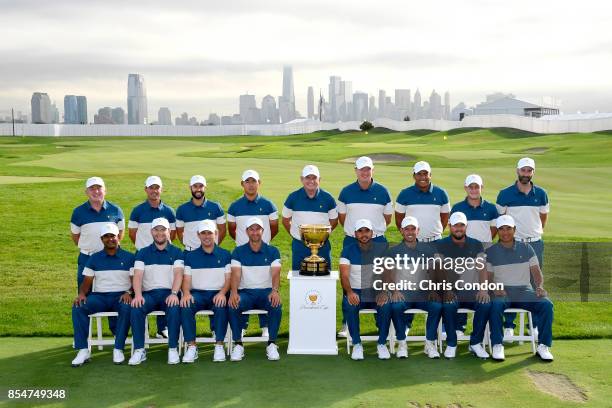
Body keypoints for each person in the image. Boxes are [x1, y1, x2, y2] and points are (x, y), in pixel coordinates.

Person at [487, 215, 554, 362]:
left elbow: (536, 272)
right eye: (501, 229)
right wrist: (493, 288)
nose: (505, 232)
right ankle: (497, 344)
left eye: (509, 229)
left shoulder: (526, 248)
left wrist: (540, 286)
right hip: (502, 291)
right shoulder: (491, 251)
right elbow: (488, 277)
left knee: (546, 305)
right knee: (496, 305)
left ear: (515, 230)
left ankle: (543, 346)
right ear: (497, 231)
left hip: (524, 290)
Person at [496, 157, 549, 339]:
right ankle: (509, 324)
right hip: (513, 243)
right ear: (517, 171)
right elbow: (500, 220)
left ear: (533, 172)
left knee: (535, 283)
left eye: (529, 170)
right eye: (523, 170)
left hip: (535, 243)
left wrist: (535, 233)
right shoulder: (505, 194)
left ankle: (532, 324)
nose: (526, 174)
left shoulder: (541, 194)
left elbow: (543, 218)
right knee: (511, 283)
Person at [394, 161, 450, 334]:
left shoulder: (441, 194)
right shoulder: (404, 194)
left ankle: (439, 324)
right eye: (419, 174)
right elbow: (399, 220)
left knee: (438, 282)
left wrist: (432, 235)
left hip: (435, 242)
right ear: (414, 176)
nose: (423, 177)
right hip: (413, 244)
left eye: (426, 174)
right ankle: (407, 323)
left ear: (430, 175)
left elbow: (444, 218)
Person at [71, 223, 133, 366]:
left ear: (118, 237)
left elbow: (135, 281)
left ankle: (118, 349)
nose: (110, 239)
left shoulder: (130, 257)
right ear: (101, 239)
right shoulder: (94, 258)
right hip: (100, 297)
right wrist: (81, 294)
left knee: (127, 307)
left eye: (112, 236)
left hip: (120, 296)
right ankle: (83, 350)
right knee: (79, 307)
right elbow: (87, 282)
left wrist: (129, 292)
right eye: (106, 237)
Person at [70, 176, 125, 335]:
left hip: (110, 259)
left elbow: (119, 233)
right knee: (84, 297)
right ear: (86, 192)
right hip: (87, 258)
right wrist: (90, 248)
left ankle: (116, 333)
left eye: (99, 188)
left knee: (113, 292)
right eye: (92, 188)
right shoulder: (78, 212)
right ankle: (82, 337)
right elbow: (76, 237)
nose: (96, 191)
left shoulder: (116, 210)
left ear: (104, 190)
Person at [386, 216, 446, 359]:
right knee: (395, 306)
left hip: (423, 293)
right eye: (407, 229)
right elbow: (388, 274)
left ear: (418, 231)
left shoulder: (429, 250)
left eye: (413, 229)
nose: (410, 232)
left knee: (436, 306)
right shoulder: (393, 251)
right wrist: (394, 291)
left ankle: (429, 343)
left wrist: (433, 290)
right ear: (401, 231)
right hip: (403, 291)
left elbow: (435, 271)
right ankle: (402, 343)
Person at [434, 212, 492, 359]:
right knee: (448, 305)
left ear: (466, 226)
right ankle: (452, 343)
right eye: (455, 226)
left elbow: (482, 268)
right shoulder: (440, 244)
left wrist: (483, 290)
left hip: (471, 290)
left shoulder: (476, 244)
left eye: (461, 225)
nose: (458, 229)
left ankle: (475, 343)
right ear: (449, 227)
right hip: (452, 289)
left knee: (485, 304)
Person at [227, 169, 278, 335]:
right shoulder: (235, 207)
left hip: (263, 251)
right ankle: (242, 326)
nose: (251, 184)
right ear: (242, 184)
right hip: (242, 254)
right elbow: (232, 229)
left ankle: (265, 326)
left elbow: (274, 228)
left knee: (266, 284)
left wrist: (261, 241)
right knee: (243, 287)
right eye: (247, 181)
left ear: (259, 183)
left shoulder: (268, 205)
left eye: (254, 181)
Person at [128, 217, 184, 365]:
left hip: (169, 293)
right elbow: (138, 276)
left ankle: (172, 348)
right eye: (156, 230)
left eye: (163, 230)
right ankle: (139, 350)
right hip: (149, 295)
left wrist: (173, 293)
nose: (160, 233)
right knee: (136, 307)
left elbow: (179, 274)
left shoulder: (177, 252)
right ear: (152, 232)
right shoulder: (142, 253)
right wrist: (138, 295)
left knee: (173, 308)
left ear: (169, 231)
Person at [227, 217, 282, 362]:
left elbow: (276, 273)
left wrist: (275, 291)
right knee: (233, 304)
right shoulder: (238, 252)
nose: (255, 232)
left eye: (258, 229)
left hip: (266, 292)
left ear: (263, 231)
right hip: (246, 293)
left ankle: (272, 343)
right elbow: (236, 274)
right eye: (251, 229)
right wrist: (233, 293)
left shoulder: (273, 251)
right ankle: (238, 344)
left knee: (276, 304)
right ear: (246, 232)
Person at [449, 174, 498, 334]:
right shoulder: (457, 208)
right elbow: (456, 231)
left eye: (477, 186)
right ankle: (459, 326)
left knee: (485, 290)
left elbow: (493, 230)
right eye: (471, 187)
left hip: (485, 255)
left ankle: (486, 328)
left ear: (482, 188)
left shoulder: (491, 208)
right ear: (466, 188)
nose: (474, 190)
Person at [128, 175, 177, 339]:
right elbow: (132, 234)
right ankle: (143, 332)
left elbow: (173, 234)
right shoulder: (138, 210)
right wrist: (145, 249)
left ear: (161, 189)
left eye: (157, 187)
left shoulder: (169, 211)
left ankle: (162, 328)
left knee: (165, 287)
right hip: (144, 256)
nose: (154, 191)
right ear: (146, 189)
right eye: (151, 188)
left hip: (164, 255)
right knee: (143, 292)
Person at [340, 219, 392, 360]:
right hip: (356, 291)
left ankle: (382, 343)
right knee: (350, 304)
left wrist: (384, 292)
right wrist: (350, 292)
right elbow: (344, 275)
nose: (364, 234)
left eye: (367, 231)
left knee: (386, 305)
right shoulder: (348, 250)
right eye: (360, 231)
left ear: (372, 233)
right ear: (355, 234)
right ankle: (357, 344)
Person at [180, 220, 231, 363]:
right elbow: (186, 280)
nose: (206, 236)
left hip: (218, 293)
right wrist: (186, 293)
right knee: (186, 305)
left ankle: (219, 345)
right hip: (198, 294)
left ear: (216, 234)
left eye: (210, 233)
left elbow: (228, 280)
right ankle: (191, 346)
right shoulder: (190, 256)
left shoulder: (225, 254)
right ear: (198, 235)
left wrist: (222, 293)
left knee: (221, 305)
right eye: (203, 233)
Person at [282, 164, 338, 272]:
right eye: (307, 178)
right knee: (298, 277)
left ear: (319, 179)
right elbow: (285, 220)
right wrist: (298, 235)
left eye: (314, 178)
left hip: (322, 246)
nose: (311, 181)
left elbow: (334, 221)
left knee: (325, 277)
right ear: (302, 179)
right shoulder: (293, 197)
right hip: (299, 245)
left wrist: (323, 236)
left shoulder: (328, 198)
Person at [337, 156, 393, 250]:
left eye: (368, 169)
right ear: (356, 170)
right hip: (352, 240)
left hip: (377, 240)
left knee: (378, 265)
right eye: (362, 169)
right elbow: (342, 219)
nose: (365, 172)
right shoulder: (346, 192)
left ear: (373, 170)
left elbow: (387, 219)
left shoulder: (383, 191)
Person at [176, 175, 226, 250]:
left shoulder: (216, 207)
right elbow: (179, 232)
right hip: (190, 252)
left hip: (211, 251)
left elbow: (222, 230)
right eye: (195, 186)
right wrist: (189, 245)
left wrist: (214, 245)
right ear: (190, 188)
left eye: (201, 186)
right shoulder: (182, 209)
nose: (198, 189)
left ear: (205, 187)